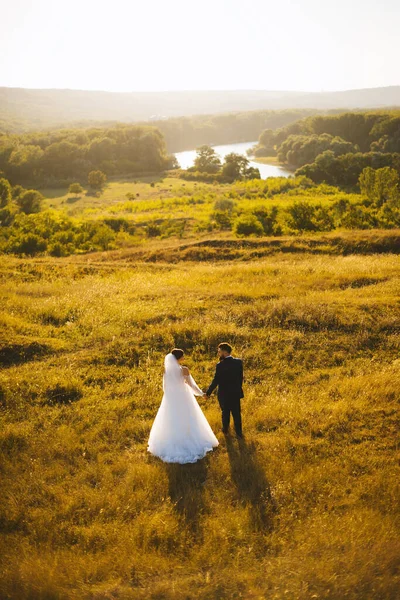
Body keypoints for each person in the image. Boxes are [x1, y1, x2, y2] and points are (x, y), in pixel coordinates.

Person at [147, 349, 219, 463]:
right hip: (184, 396)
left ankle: (173, 440)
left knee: (172, 419)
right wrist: (201, 394)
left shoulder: (166, 371)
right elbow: (192, 385)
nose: (184, 358)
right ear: (178, 358)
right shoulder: (184, 369)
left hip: (171, 398)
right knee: (188, 417)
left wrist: (169, 396)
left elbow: (165, 387)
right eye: (183, 356)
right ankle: (189, 440)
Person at [205, 342, 244, 439]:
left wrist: (208, 393)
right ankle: (239, 433)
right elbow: (240, 378)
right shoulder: (238, 362)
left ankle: (225, 431)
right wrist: (237, 388)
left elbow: (216, 380)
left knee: (225, 413)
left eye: (219, 351)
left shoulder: (220, 365)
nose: (218, 354)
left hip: (224, 394)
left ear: (224, 352)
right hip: (235, 392)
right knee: (236, 413)